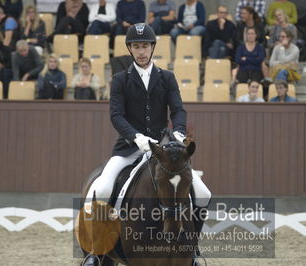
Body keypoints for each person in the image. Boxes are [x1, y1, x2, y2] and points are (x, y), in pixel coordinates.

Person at [83, 23, 211, 265]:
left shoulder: (167, 77)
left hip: (163, 149)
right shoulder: (121, 79)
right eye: (136, 46)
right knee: (101, 189)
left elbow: (178, 110)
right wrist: (137, 138)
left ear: (152, 47)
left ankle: (192, 250)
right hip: (129, 149)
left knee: (203, 193)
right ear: (130, 49)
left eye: (145, 46)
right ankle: (96, 252)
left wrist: (180, 134)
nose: (141, 51)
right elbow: (116, 115)